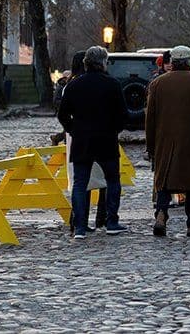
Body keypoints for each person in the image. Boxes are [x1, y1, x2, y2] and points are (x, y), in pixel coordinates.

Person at [57, 45, 131, 238]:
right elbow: (123, 115)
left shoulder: (73, 85)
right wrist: (114, 130)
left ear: (86, 63)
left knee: (80, 183)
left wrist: (73, 129)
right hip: (106, 138)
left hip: (82, 139)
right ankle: (111, 222)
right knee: (112, 181)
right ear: (103, 63)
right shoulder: (112, 84)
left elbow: (62, 114)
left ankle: (80, 226)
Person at [145, 45, 190, 238]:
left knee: (164, 181)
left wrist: (150, 145)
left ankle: (161, 213)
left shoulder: (158, 83)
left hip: (164, 140)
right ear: (189, 62)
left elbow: (150, 117)